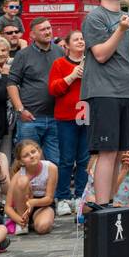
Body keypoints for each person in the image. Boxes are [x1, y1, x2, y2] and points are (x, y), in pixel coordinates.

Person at [80, 0, 129, 207]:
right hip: (103, 90)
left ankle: (108, 200)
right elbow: (100, 54)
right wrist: (120, 30)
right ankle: (101, 204)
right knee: (106, 150)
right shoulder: (95, 18)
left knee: (119, 151)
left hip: (126, 89)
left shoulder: (128, 17)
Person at [7, 18, 64, 166]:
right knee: (28, 163)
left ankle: (52, 190)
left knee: (55, 163)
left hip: (55, 118)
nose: (48, 32)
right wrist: (20, 110)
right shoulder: (23, 55)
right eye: (43, 29)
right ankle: (25, 190)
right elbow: (11, 84)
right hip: (30, 118)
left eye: (49, 28)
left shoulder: (60, 51)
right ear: (32, 35)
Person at [48, 30, 90, 215]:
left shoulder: (92, 62)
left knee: (84, 158)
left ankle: (81, 195)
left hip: (86, 114)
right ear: (67, 45)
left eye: (82, 38)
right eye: (76, 39)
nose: (80, 41)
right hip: (65, 117)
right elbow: (53, 89)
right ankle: (63, 196)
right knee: (66, 159)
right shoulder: (59, 63)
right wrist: (71, 76)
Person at [6, 139, 57, 235]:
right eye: (26, 155)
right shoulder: (19, 174)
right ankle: (23, 223)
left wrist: (32, 202)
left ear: (39, 151)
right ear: (21, 161)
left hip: (43, 204)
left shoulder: (51, 168)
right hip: (23, 206)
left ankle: (33, 223)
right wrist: (18, 219)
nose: (32, 156)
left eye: (33, 152)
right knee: (22, 180)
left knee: (43, 228)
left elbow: (49, 199)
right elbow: (7, 207)